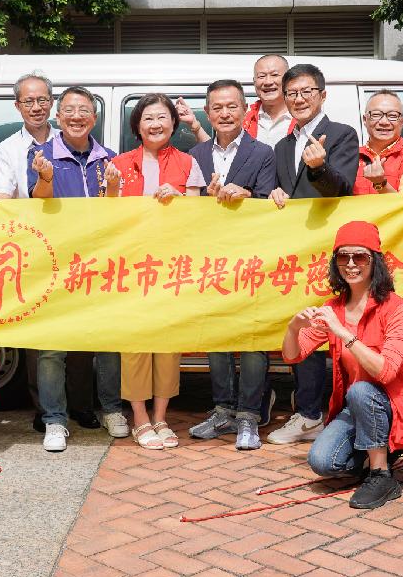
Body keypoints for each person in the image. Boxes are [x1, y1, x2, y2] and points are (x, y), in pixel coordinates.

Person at [285, 221, 403, 509]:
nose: (351, 264)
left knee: (362, 390)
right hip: (357, 406)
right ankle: (381, 447)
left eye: (359, 256)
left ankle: (381, 475)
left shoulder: (397, 308)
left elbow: (385, 371)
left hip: (398, 405)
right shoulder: (334, 307)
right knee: (322, 463)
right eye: (343, 256)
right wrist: (293, 328)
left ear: (375, 261)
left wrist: (343, 333)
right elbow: (293, 355)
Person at [28, 86, 128, 451]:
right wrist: (45, 177)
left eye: (83, 110)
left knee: (108, 341)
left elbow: (116, 213)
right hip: (56, 265)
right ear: (58, 117)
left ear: (94, 118)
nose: (76, 116)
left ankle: (112, 409)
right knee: (52, 347)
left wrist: (114, 189)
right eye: (69, 110)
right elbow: (38, 202)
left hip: (101, 264)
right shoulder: (41, 155)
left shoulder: (110, 158)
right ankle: (55, 420)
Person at [105, 93, 204, 449]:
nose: (156, 124)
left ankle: (161, 417)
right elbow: (107, 217)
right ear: (137, 125)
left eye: (162, 117)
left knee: (167, 343)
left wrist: (178, 198)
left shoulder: (188, 163)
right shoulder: (119, 163)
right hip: (132, 266)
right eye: (148, 118)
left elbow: (198, 215)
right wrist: (112, 187)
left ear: (173, 123)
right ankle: (140, 418)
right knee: (135, 343)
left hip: (172, 266)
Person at [267, 63, 359, 446]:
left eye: (307, 91)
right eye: (292, 93)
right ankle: (309, 414)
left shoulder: (342, 134)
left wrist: (320, 168)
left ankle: (338, 415)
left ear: (322, 94)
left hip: (331, 252)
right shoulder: (282, 146)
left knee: (337, 330)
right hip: (294, 255)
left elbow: (342, 188)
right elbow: (280, 192)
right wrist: (273, 194)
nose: (299, 99)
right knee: (303, 327)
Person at [187, 79, 279, 450]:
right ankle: (223, 409)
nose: (225, 114)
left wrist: (248, 195)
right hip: (211, 261)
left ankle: (249, 416)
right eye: (217, 108)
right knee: (217, 335)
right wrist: (204, 200)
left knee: (252, 338)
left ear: (244, 110)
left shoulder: (263, 152)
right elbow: (187, 208)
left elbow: (272, 201)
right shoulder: (195, 154)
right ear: (207, 113)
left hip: (252, 258)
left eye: (232, 106)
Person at [0, 73, 60, 199]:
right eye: (28, 102)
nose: (36, 107)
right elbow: (2, 196)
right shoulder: (5, 150)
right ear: (17, 106)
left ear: (52, 102)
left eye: (42, 100)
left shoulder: (68, 141)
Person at [352, 90, 403, 195]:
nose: (384, 122)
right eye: (376, 114)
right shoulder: (351, 156)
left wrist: (380, 183)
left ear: (402, 121)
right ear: (365, 119)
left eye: (392, 115)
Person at [245, 54, 295, 146]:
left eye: (274, 75)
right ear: (254, 82)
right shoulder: (244, 119)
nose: (268, 82)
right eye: (261, 76)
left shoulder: (303, 117)